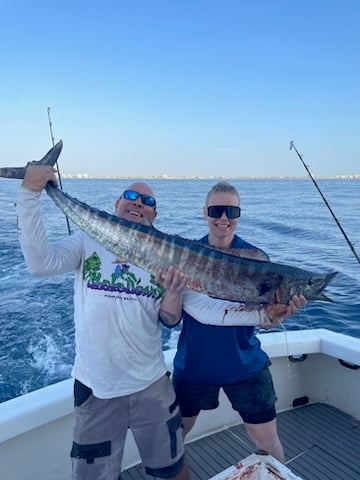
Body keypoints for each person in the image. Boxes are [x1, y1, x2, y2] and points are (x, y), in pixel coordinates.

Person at [16, 165, 189, 480]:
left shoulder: (169, 253)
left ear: (155, 213)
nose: (138, 203)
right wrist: (30, 194)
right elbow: (40, 264)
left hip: (151, 385)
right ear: (117, 204)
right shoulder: (86, 239)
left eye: (146, 201)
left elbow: (170, 319)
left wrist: (175, 292)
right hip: (97, 388)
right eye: (131, 196)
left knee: (172, 470)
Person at [172, 181, 307, 463]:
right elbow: (170, 318)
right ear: (205, 212)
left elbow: (265, 320)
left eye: (231, 210)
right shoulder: (183, 256)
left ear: (239, 214)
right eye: (217, 210)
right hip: (193, 366)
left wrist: (282, 313)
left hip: (245, 366)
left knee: (268, 442)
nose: (224, 218)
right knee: (172, 441)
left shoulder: (258, 260)